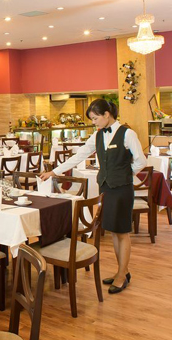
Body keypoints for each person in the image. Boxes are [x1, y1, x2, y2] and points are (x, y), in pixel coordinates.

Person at [39, 99, 146, 293]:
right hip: (106, 189)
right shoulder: (97, 135)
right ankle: (123, 271)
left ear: (107, 114)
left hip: (122, 189)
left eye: (95, 118)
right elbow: (78, 156)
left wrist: (125, 174)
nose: (94, 122)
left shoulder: (127, 134)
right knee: (113, 230)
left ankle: (122, 275)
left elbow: (141, 161)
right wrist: (54, 172)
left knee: (122, 232)